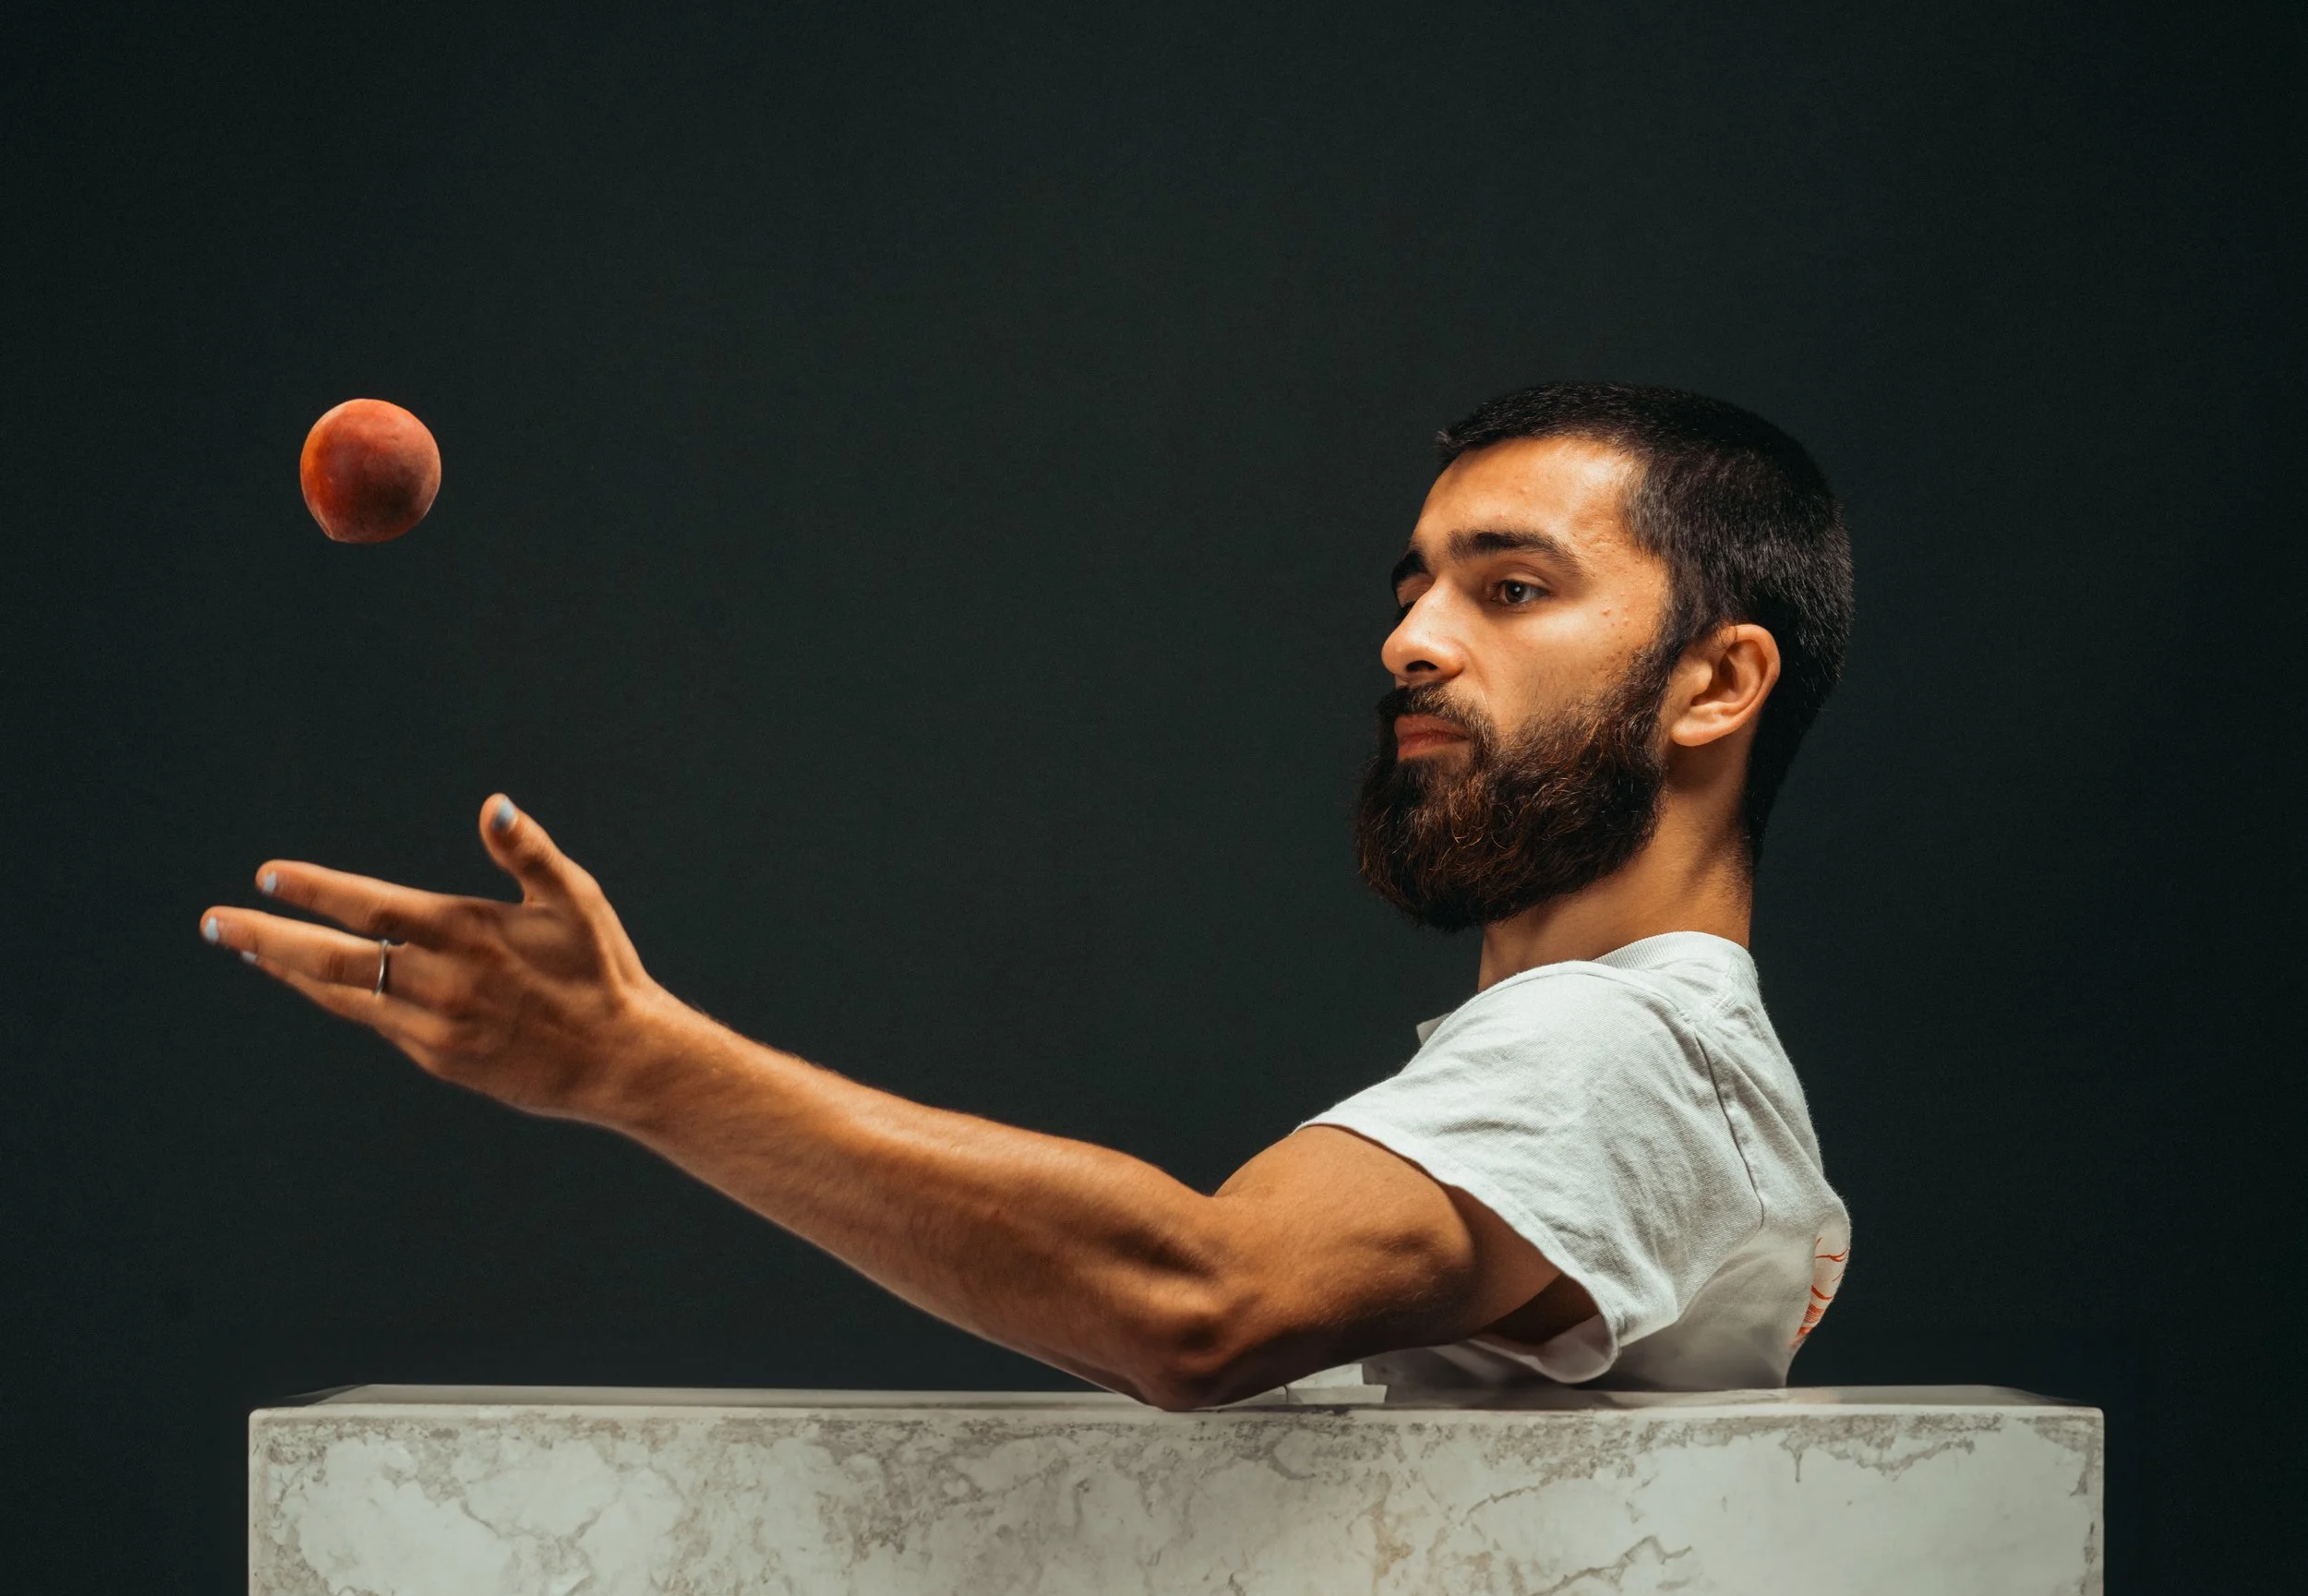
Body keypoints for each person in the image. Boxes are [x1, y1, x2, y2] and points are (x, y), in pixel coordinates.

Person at [199, 382, 1855, 1408]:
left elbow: (1200, 1303)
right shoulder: (1615, 1067)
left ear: (1717, 683)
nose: (1409, 640)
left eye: (1509, 587)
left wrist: (637, 1064)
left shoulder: (1624, 1052)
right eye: (1413, 586)